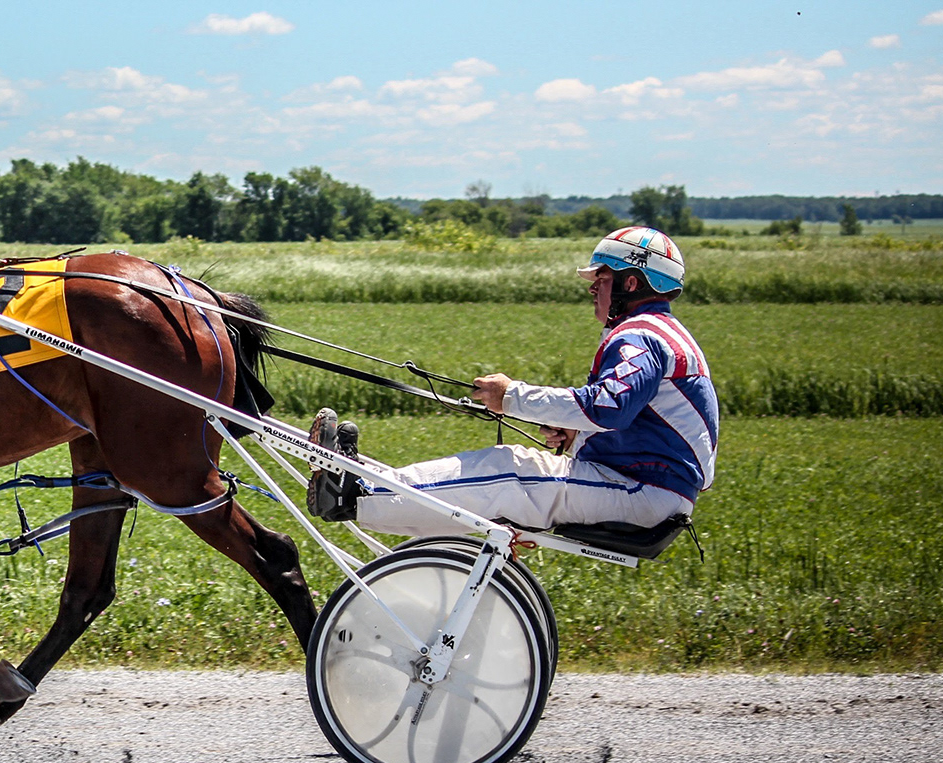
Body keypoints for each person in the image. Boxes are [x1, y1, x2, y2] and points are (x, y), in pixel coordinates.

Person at [307, 226, 719, 536]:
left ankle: (355, 495)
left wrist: (512, 396)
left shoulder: (641, 335)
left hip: (644, 492)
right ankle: (367, 486)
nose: (593, 286)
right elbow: (641, 424)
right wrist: (575, 435)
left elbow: (608, 407)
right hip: (647, 488)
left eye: (602, 277)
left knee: (510, 470)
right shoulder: (659, 332)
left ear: (631, 283)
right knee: (507, 472)